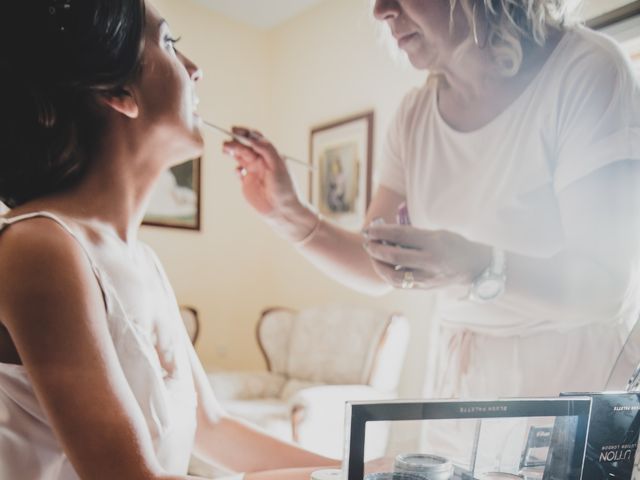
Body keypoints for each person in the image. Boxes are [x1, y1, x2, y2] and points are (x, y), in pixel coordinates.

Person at [225, 0, 640, 406]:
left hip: (570, 378)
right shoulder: (413, 114)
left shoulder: (587, 71)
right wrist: (287, 213)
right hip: (458, 375)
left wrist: (478, 267)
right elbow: (379, 265)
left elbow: (604, 286)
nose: (380, 10)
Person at [0, 1, 338, 479]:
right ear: (118, 90)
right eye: (170, 45)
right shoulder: (40, 248)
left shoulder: (145, 262)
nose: (195, 70)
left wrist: (362, 469)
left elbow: (212, 427)